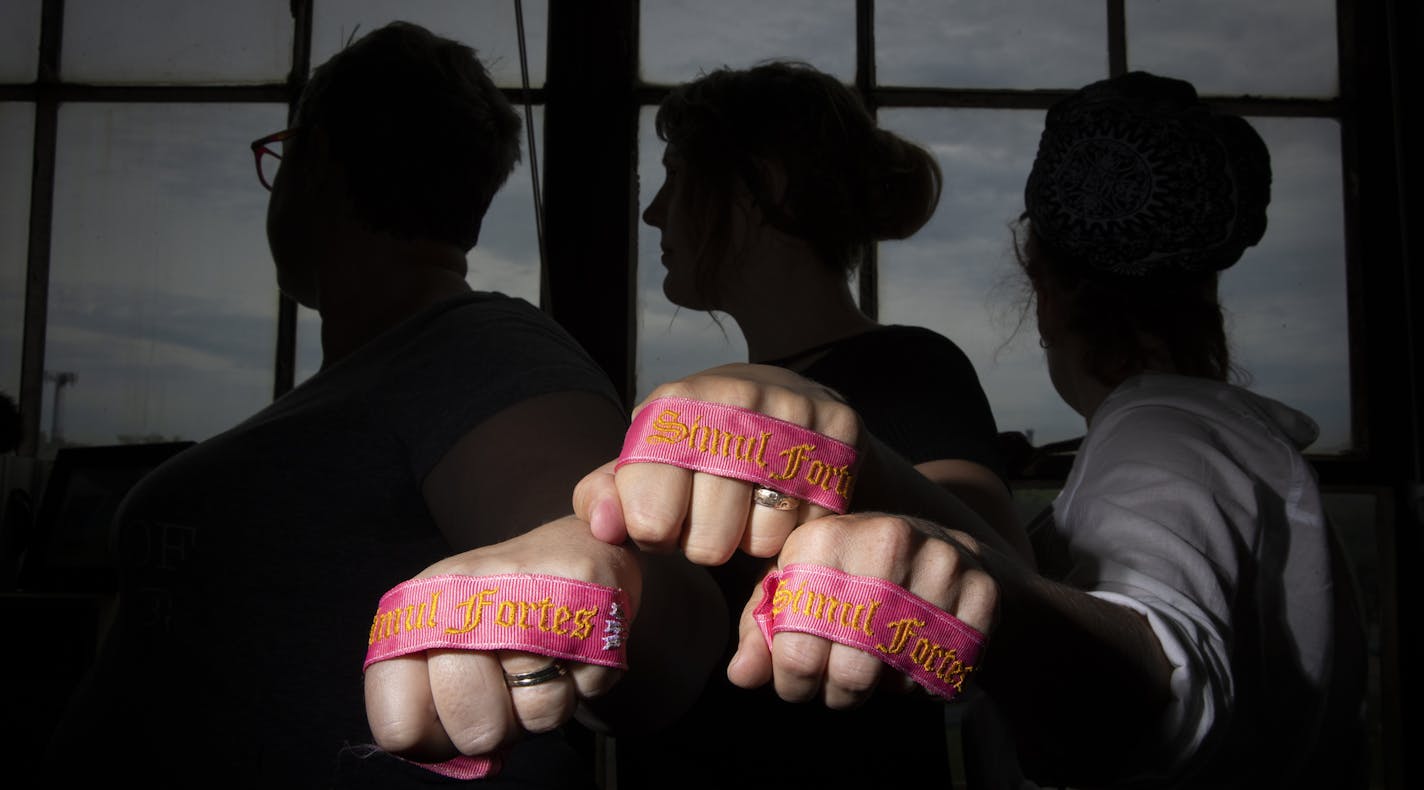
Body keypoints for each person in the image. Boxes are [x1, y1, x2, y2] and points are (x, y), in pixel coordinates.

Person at [46, 21, 707, 787]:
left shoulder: (478, 352)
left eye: (281, 156)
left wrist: (598, 594)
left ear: (315, 162)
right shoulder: (397, 370)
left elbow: (662, 643)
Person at [614, 61, 1029, 788]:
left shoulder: (911, 365)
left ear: (760, 188)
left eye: (676, 176)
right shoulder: (706, 406)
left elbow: (986, 558)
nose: (654, 212)